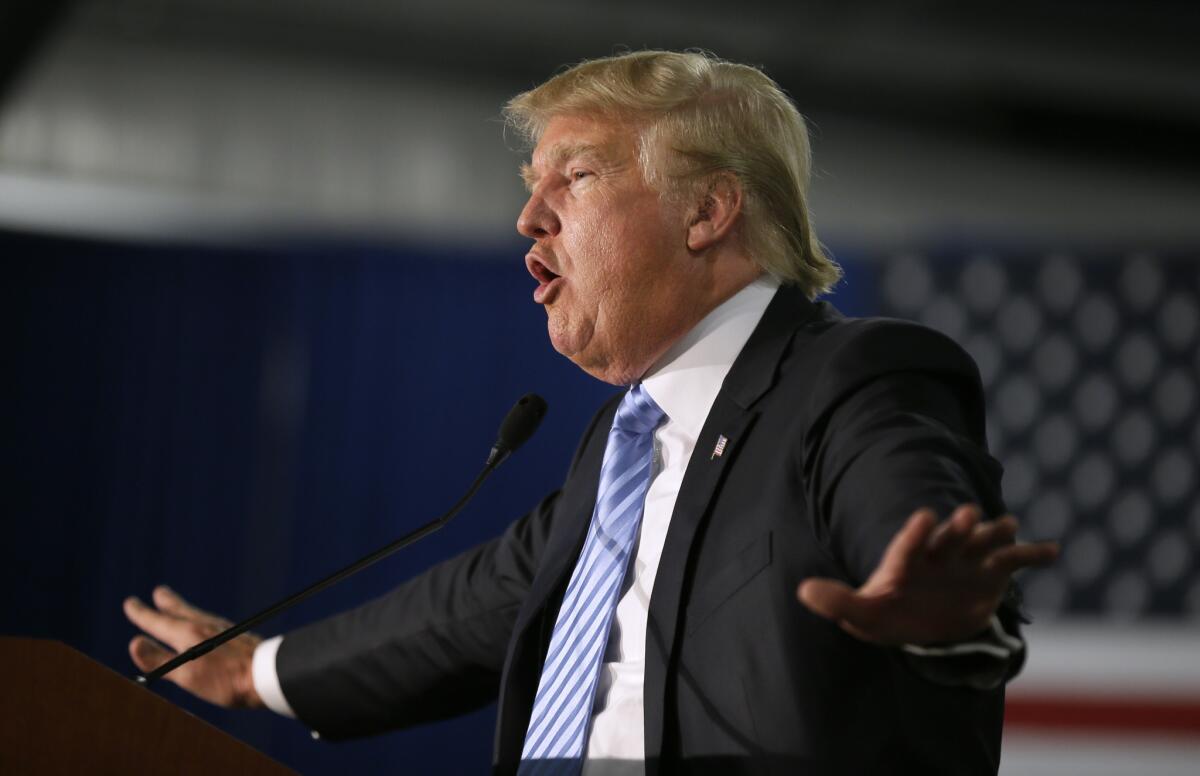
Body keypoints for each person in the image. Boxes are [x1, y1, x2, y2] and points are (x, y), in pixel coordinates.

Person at [124, 50, 1058, 775]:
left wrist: (945, 613)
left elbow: (911, 525)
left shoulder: (854, 378)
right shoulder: (620, 451)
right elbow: (465, 611)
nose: (529, 218)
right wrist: (255, 671)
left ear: (707, 210)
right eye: (531, 187)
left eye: (573, 178)